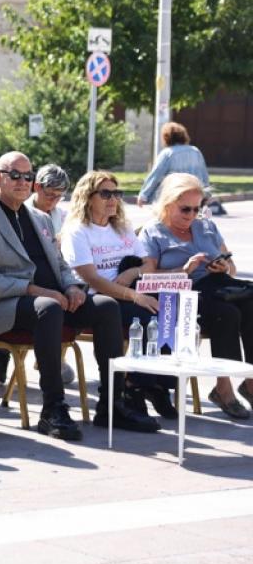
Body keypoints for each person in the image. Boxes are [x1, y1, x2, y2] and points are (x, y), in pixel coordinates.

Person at [0, 152, 141, 440]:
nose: (22, 182)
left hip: (53, 297)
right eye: (14, 175)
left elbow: (60, 264)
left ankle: (111, 404)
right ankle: (52, 408)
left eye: (27, 176)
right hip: (4, 305)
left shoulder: (39, 218)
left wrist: (71, 287)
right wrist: (34, 290)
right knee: (48, 309)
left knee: (106, 306)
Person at [61, 171, 172, 424]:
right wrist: (134, 295)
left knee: (168, 311)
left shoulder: (121, 228)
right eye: (106, 193)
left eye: (116, 193)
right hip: (95, 300)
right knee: (147, 317)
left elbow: (148, 265)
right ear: (87, 198)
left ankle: (156, 385)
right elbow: (92, 279)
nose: (113, 199)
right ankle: (133, 388)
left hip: (127, 293)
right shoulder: (78, 232)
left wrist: (132, 273)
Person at [140, 173, 253, 419]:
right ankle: (224, 388)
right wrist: (183, 270)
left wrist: (224, 267)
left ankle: (251, 380)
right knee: (228, 313)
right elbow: (146, 278)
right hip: (182, 295)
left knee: (250, 304)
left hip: (217, 286)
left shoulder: (207, 226)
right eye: (185, 209)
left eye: (197, 208)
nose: (192, 215)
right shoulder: (153, 232)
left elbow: (231, 267)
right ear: (168, 204)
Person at [138, 122, 211, 206]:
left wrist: (144, 195)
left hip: (174, 197)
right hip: (194, 198)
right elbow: (203, 174)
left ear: (166, 137)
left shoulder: (168, 153)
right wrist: (206, 194)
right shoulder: (195, 151)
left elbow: (156, 175)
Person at [28, 164, 70, 237]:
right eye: (50, 194)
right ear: (37, 187)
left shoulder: (65, 218)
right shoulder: (20, 213)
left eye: (59, 196)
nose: (54, 200)